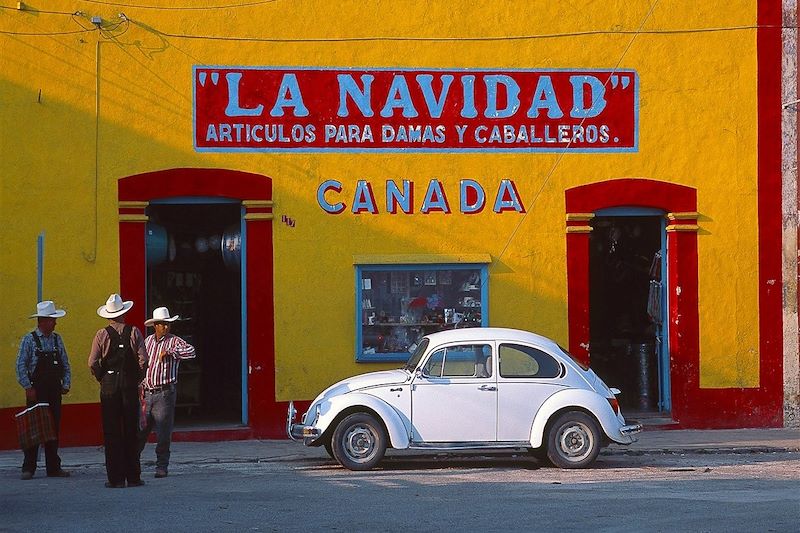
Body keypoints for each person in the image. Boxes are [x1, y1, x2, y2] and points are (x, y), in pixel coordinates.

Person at [88, 294, 147, 488]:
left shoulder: (101, 335)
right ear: (124, 313)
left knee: (112, 432)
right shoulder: (134, 332)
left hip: (109, 384)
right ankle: (134, 476)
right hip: (129, 384)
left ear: (108, 315)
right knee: (131, 430)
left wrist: (102, 378)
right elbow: (143, 360)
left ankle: (116, 478)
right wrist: (136, 378)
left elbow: (93, 362)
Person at [16, 301, 72, 480]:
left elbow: (65, 364)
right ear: (42, 321)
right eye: (52, 320)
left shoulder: (57, 339)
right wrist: (27, 386)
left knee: (53, 428)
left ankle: (53, 467)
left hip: (54, 390)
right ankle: (29, 467)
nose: (55, 323)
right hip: (37, 390)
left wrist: (66, 383)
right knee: (34, 429)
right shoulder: (29, 340)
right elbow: (20, 365)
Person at [138, 306, 196, 478]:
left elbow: (191, 352)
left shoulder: (174, 341)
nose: (165, 327)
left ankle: (161, 465)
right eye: (162, 324)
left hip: (164, 393)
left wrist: (171, 352)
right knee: (140, 431)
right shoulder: (147, 341)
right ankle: (133, 462)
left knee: (163, 432)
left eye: (167, 324)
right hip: (147, 392)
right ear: (155, 325)